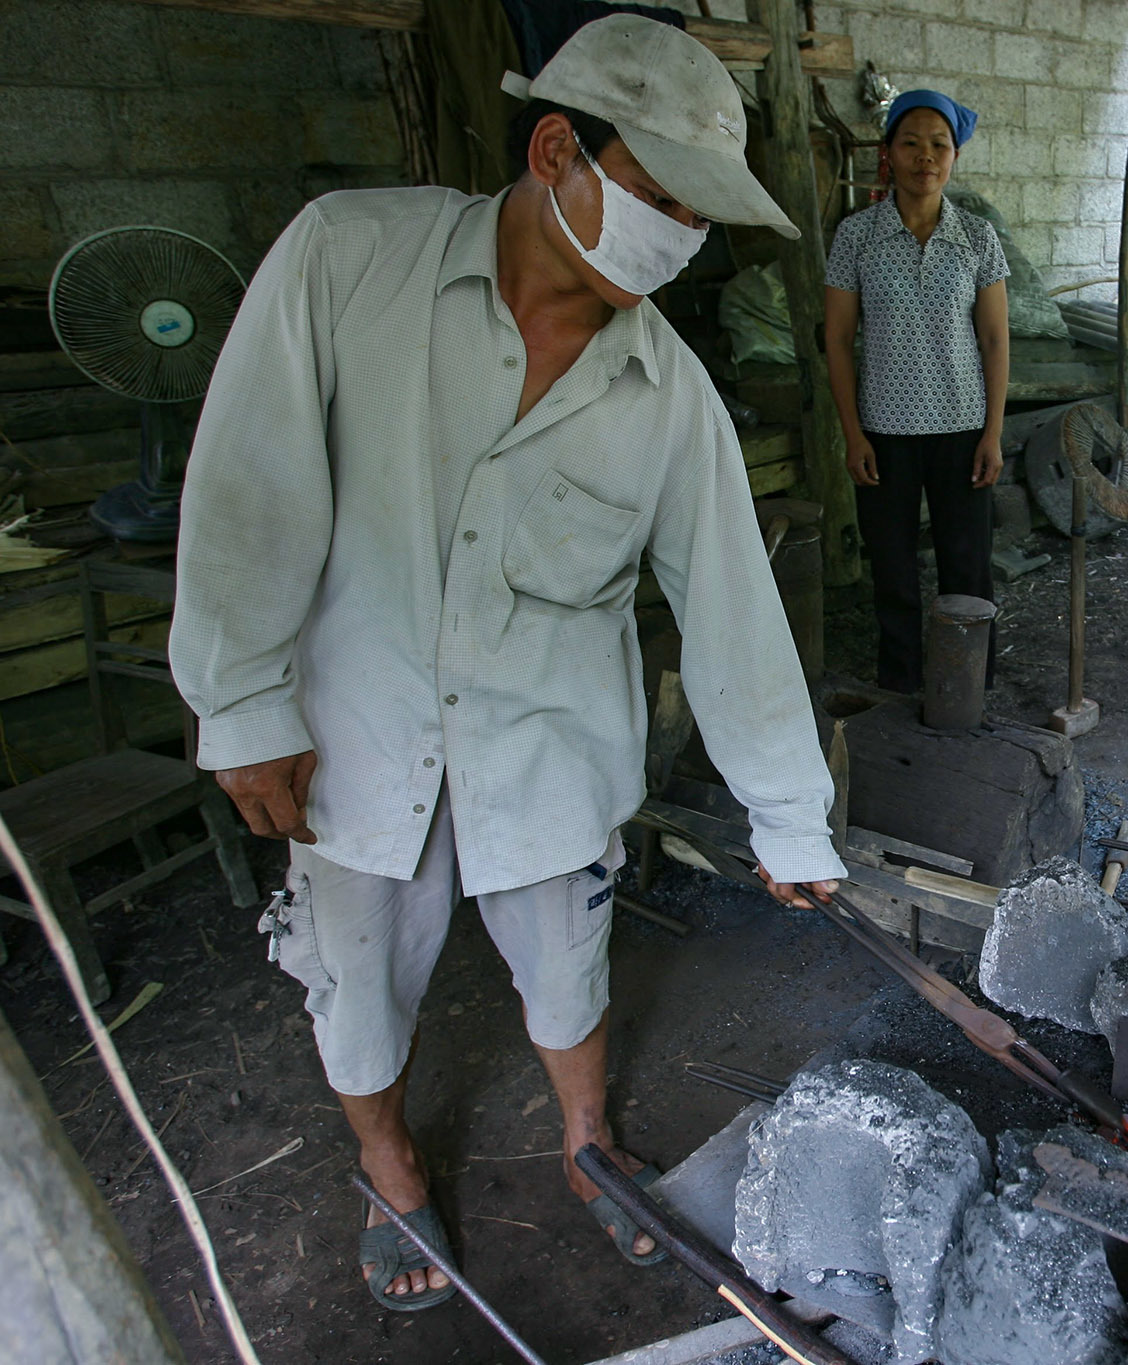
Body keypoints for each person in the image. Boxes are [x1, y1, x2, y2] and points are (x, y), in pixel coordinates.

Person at [169, 15, 845, 1312]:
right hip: (357, 736)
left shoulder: (669, 396)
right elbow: (246, 482)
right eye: (664, 198)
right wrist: (241, 696)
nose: (682, 242)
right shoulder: (348, 261)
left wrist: (791, 816)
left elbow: (733, 615)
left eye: (703, 220)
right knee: (355, 983)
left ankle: (590, 1149)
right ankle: (390, 1167)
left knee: (568, 970)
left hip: (547, 752)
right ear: (556, 150)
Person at [823, 89, 1010, 694]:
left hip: (961, 429)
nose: (925, 157)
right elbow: (839, 339)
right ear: (888, 154)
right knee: (895, 572)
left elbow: (995, 342)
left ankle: (969, 684)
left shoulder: (978, 239)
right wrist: (853, 435)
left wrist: (993, 433)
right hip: (885, 432)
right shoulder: (856, 237)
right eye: (911, 143)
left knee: (967, 569)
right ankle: (900, 686)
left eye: (939, 145)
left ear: (954, 156)